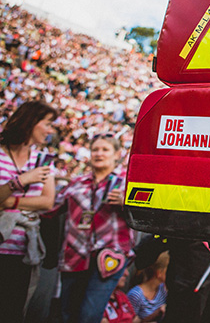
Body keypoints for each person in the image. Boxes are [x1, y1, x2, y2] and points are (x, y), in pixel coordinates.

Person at [54, 133, 135, 323]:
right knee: (68, 313)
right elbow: (51, 208)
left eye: (105, 149)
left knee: (90, 314)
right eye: (95, 149)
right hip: (75, 255)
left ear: (117, 154)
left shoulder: (126, 183)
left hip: (109, 256)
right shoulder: (77, 183)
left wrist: (126, 202)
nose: (99, 154)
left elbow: (146, 215)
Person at [0, 100, 57, 323]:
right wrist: (22, 181)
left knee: (12, 313)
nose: (50, 130)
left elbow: (47, 201)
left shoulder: (41, 159)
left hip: (23, 252)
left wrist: (9, 201)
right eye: (48, 123)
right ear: (31, 121)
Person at [127, 252, 169, 322]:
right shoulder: (136, 295)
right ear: (159, 273)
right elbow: (130, 321)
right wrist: (156, 313)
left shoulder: (163, 289)